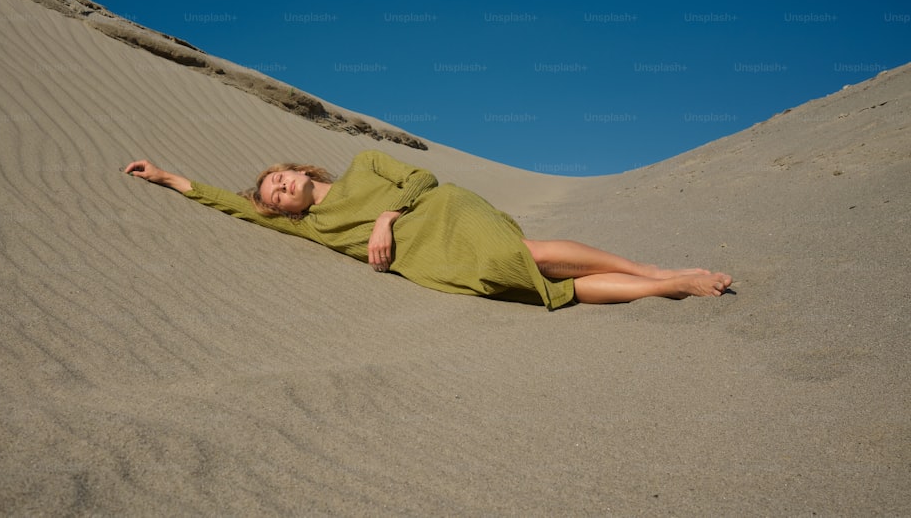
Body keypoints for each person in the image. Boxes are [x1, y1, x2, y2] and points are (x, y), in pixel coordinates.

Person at [123, 150, 732, 309]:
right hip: (434, 260)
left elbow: (424, 178)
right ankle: (666, 287)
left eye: (279, 180)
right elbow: (225, 205)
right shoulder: (313, 227)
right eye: (274, 198)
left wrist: (387, 216)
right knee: (549, 288)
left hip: (446, 212)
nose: (280, 191)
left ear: (298, 169)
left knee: (529, 252)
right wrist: (170, 178)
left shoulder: (366, 165)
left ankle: (654, 270)